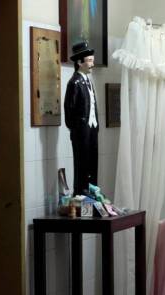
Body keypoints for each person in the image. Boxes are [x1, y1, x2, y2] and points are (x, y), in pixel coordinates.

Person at [64, 40, 99, 195]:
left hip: (91, 129)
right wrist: (77, 127)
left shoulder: (87, 81)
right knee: (82, 164)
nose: (92, 64)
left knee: (92, 162)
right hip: (81, 131)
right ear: (79, 62)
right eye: (89, 60)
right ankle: (81, 195)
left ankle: (92, 192)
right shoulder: (74, 83)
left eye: (92, 60)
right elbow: (69, 110)